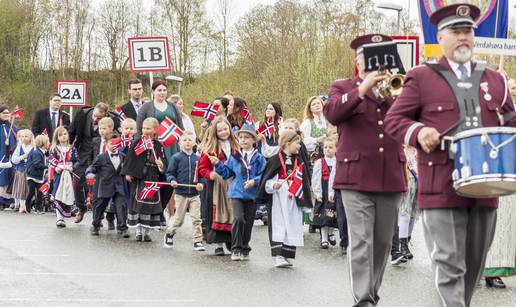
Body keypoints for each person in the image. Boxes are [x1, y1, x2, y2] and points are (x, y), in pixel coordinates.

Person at [384, 4, 516, 306]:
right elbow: (394, 120)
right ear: (441, 37)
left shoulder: (494, 79)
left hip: (486, 189)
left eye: (467, 31)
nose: (463, 37)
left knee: (472, 270)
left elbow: (511, 123)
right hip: (440, 187)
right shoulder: (422, 77)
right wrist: (419, 132)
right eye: (455, 32)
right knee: (449, 266)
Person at [324, 33, 406, 307]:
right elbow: (333, 113)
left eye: (380, 60)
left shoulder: (398, 89)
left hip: (391, 177)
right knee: (361, 242)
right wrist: (363, 89)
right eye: (368, 59)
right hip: (355, 178)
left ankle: (371, 294)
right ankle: (363, 300)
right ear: (357, 61)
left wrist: (399, 93)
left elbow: (411, 121)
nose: (374, 66)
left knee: (382, 244)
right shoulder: (342, 86)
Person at [257, 130, 313, 268]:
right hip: (278, 198)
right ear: (288, 143)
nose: (299, 146)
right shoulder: (275, 159)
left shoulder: (299, 161)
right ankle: (278, 255)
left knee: (292, 223)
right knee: (279, 223)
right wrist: (272, 185)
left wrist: (305, 201)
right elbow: (267, 180)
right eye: (297, 143)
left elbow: (303, 181)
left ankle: (286, 254)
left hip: (293, 197)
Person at [212, 123, 266, 261]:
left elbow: (264, 175)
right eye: (241, 137)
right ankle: (235, 248)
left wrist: (254, 181)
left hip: (252, 194)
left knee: (248, 222)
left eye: (247, 137)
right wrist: (218, 164)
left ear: (254, 140)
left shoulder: (259, 158)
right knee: (238, 218)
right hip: (236, 193)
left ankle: (245, 246)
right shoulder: (235, 157)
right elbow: (227, 173)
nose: (243, 140)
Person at [69, 102, 119, 223]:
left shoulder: (113, 119)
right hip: (83, 152)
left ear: (105, 115)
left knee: (97, 186)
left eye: (99, 118)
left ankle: (99, 217)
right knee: (77, 183)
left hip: (101, 155)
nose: (95, 119)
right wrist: (69, 146)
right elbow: (72, 131)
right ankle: (81, 208)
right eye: (94, 116)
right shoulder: (83, 114)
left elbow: (117, 136)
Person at [198, 117, 239, 256]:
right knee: (218, 213)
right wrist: (211, 175)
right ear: (215, 132)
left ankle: (233, 242)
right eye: (219, 130)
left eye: (225, 129)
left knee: (233, 212)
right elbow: (202, 168)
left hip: (233, 184)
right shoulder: (210, 148)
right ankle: (218, 244)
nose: (223, 132)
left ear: (230, 129)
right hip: (216, 186)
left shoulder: (236, 145)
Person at [122, 118, 167, 242]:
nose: (145, 130)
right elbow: (130, 158)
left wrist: (161, 164)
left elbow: (164, 161)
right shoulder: (138, 143)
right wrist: (128, 172)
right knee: (139, 203)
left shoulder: (159, 146)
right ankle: (138, 231)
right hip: (140, 177)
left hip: (153, 177)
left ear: (155, 130)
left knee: (150, 205)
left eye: (148, 128)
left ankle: (147, 232)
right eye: (143, 128)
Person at [163, 131, 204, 251]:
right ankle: (169, 233)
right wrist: (172, 180)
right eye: (184, 140)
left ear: (194, 143)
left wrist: (201, 183)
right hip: (181, 193)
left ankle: (197, 241)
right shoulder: (176, 158)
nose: (187, 142)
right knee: (179, 219)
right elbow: (170, 173)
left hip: (195, 194)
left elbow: (202, 175)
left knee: (196, 218)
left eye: (190, 140)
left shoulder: (198, 159)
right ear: (180, 143)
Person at [87, 132, 129, 238]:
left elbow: (127, 169)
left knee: (121, 207)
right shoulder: (101, 157)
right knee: (100, 206)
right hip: (105, 185)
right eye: (112, 143)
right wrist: (90, 173)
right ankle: (95, 225)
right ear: (106, 143)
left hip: (119, 186)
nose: (114, 145)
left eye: (117, 143)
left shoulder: (123, 156)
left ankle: (122, 227)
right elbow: (93, 167)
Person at [311, 137, 339, 249]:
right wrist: (318, 193)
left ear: (336, 149)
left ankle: (331, 232)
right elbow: (316, 178)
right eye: (325, 147)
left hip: (334, 189)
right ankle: (324, 238)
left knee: (332, 214)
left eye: (330, 147)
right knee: (323, 215)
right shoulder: (320, 162)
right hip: (323, 189)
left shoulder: (337, 161)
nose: (327, 149)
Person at [50, 127, 79, 227]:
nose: (63, 136)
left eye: (65, 134)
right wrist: (56, 167)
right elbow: (50, 160)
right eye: (60, 135)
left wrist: (72, 168)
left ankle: (67, 211)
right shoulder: (54, 149)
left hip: (69, 174)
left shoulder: (72, 148)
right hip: (59, 175)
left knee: (67, 193)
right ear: (57, 137)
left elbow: (77, 161)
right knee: (58, 194)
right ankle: (59, 218)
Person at [10, 129, 34, 213]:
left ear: (31, 137)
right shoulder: (19, 147)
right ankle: (21, 206)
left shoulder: (33, 148)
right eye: (22, 136)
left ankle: (27, 205)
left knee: (28, 189)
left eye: (26, 136)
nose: (24, 138)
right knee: (20, 189)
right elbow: (13, 159)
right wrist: (22, 157)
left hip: (30, 172)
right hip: (20, 171)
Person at [25, 135, 50, 213]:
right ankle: (27, 205)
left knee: (40, 193)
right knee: (31, 192)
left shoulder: (43, 153)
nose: (48, 143)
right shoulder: (37, 153)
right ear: (43, 143)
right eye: (47, 142)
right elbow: (37, 164)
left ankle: (39, 209)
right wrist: (47, 167)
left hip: (39, 177)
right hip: (32, 176)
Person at [0, 105, 18, 208]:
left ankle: (7, 200)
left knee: (8, 176)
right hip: (1, 154)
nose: (7, 114)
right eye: (4, 113)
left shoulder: (13, 127)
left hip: (10, 156)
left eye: (8, 113)